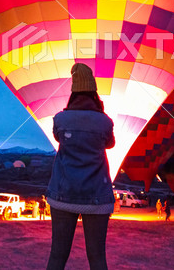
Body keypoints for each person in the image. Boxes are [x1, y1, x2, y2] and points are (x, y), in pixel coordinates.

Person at [46, 63, 115, 270]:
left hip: (62, 195)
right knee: (97, 258)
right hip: (97, 197)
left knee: (57, 256)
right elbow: (110, 144)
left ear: (73, 93)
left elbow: (59, 138)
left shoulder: (60, 118)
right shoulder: (105, 121)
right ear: (94, 92)